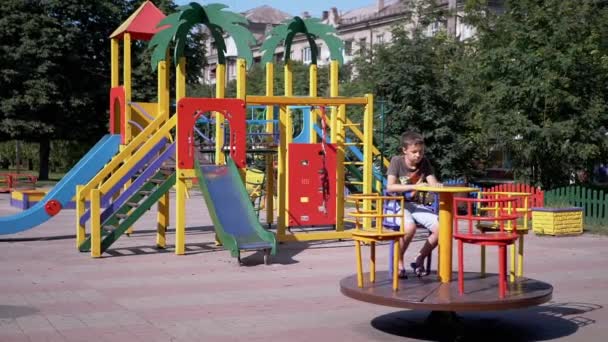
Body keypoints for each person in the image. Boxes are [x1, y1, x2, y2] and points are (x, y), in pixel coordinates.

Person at [386, 131, 441, 278]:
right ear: (405, 150)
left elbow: (433, 183)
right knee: (409, 227)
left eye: (421, 152)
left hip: (415, 205)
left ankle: (419, 258)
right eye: (414, 152)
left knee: (443, 228)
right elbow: (390, 187)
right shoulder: (397, 161)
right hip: (397, 203)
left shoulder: (425, 163)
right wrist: (414, 187)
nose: (418, 155)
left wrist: (437, 185)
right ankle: (399, 260)